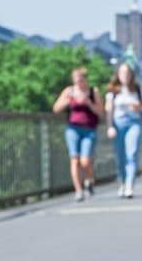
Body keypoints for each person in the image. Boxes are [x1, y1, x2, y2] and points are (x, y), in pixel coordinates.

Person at [53, 67, 104, 202]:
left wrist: (89, 103)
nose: (79, 82)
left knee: (85, 160)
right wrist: (69, 100)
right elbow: (56, 108)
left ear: (85, 79)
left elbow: (101, 111)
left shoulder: (93, 91)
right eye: (76, 80)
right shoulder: (69, 91)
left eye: (81, 80)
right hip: (73, 129)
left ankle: (89, 179)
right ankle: (78, 190)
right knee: (74, 159)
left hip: (89, 129)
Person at [105, 62, 142, 199]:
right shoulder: (113, 91)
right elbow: (109, 110)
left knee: (131, 154)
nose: (125, 75)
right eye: (122, 73)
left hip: (134, 123)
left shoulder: (137, 89)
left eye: (127, 73)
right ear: (118, 75)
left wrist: (138, 107)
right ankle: (122, 181)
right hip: (118, 123)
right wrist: (110, 126)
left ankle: (129, 185)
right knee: (120, 156)